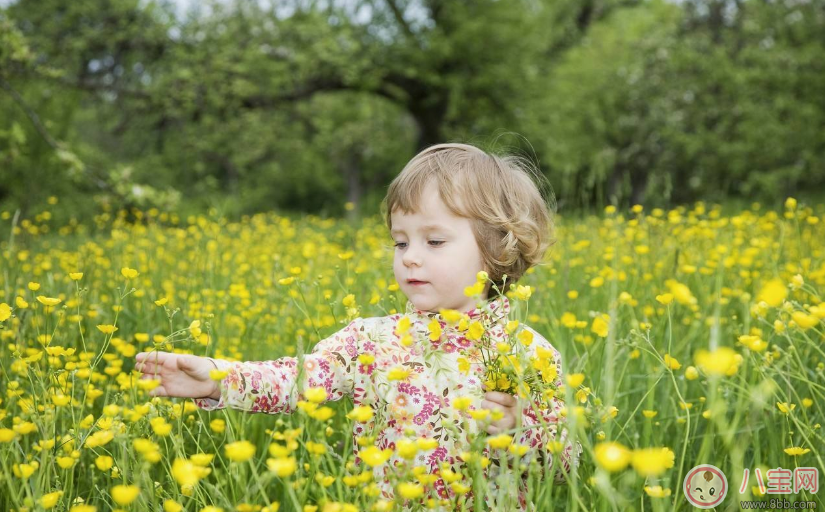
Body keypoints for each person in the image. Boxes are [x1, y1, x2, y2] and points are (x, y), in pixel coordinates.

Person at [134, 143, 582, 510]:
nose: (410, 257)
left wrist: (519, 431)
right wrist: (217, 379)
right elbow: (296, 380)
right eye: (400, 242)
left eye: (434, 241)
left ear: (499, 248)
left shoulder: (529, 354)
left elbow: (566, 468)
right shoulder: (371, 340)